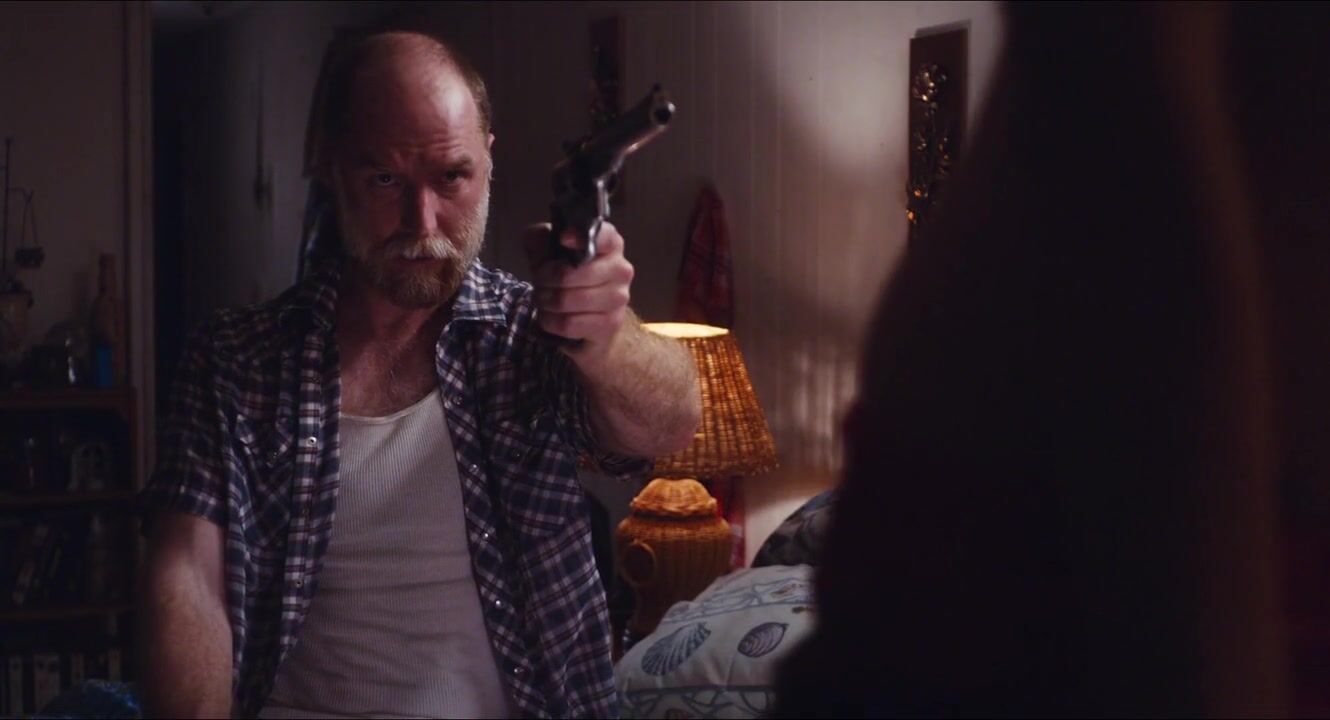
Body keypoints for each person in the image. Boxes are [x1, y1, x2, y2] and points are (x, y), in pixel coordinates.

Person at [135, 29, 701, 719]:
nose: (421, 221)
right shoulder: (237, 360)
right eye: (384, 180)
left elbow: (671, 425)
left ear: (487, 161)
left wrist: (606, 337)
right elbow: (188, 579)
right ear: (330, 169)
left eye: (451, 178)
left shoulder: (527, 338)